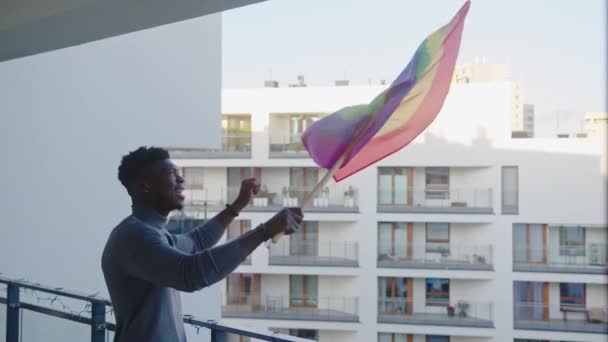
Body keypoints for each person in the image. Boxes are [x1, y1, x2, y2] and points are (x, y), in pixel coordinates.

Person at [102, 146, 302, 342]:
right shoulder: (134, 236)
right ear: (145, 186)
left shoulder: (154, 232)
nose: (181, 179)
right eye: (171, 173)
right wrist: (264, 231)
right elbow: (191, 273)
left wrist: (238, 205)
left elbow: (197, 241)